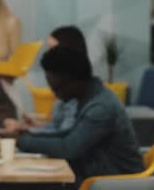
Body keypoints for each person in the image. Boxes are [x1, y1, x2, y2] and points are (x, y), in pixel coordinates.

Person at [12, 45, 143, 185]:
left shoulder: (101, 107)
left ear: (74, 81)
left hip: (117, 182)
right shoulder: (88, 98)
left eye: (57, 89)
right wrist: (28, 134)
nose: (55, 95)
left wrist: (19, 141)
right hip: (102, 176)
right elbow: (67, 134)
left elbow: (68, 148)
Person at [4, 25, 87, 135]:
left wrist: (24, 129)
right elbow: (56, 126)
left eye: (54, 49)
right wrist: (34, 125)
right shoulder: (64, 87)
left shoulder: (78, 91)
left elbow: (64, 135)